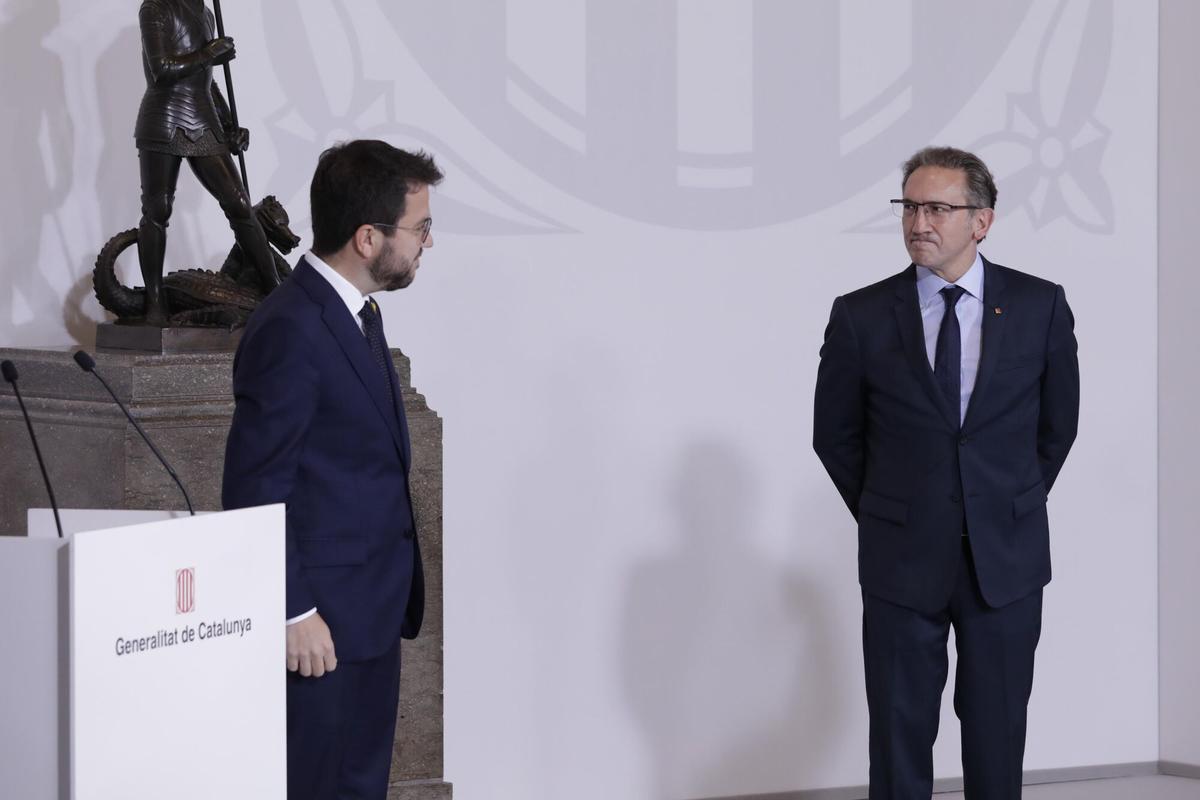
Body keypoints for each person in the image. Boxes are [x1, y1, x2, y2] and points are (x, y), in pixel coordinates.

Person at [813, 146, 1079, 799]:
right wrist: (893, 505)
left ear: (981, 221)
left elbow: (1057, 428)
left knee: (996, 738)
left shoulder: (1040, 306)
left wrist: (997, 504)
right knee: (899, 742)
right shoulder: (862, 315)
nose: (918, 222)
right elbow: (836, 436)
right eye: (909, 206)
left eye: (937, 208)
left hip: (1005, 563)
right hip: (902, 560)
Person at [222, 140, 444, 799]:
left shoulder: (359, 316)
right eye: (421, 228)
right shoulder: (292, 328)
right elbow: (256, 485)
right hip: (319, 629)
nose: (429, 243)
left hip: (370, 614)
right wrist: (294, 611)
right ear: (369, 237)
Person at [135, 0, 279, 325]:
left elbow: (207, 82)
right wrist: (208, 54)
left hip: (202, 117)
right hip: (164, 116)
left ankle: (276, 291)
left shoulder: (206, 13)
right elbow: (162, 70)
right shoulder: (155, 8)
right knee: (158, 211)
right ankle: (155, 303)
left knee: (240, 204)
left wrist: (229, 127)